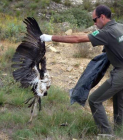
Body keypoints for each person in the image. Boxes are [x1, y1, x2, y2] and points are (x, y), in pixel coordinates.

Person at [40, 5, 123, 134]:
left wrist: (50, 38)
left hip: (121, 73)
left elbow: (78, 39)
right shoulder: (120, 26)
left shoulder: (106, 32)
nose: (94, 24)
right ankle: (120, 131)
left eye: (94, 20)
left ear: (102, 17)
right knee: (119, 101)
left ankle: (106, 134)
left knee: (95, 99)